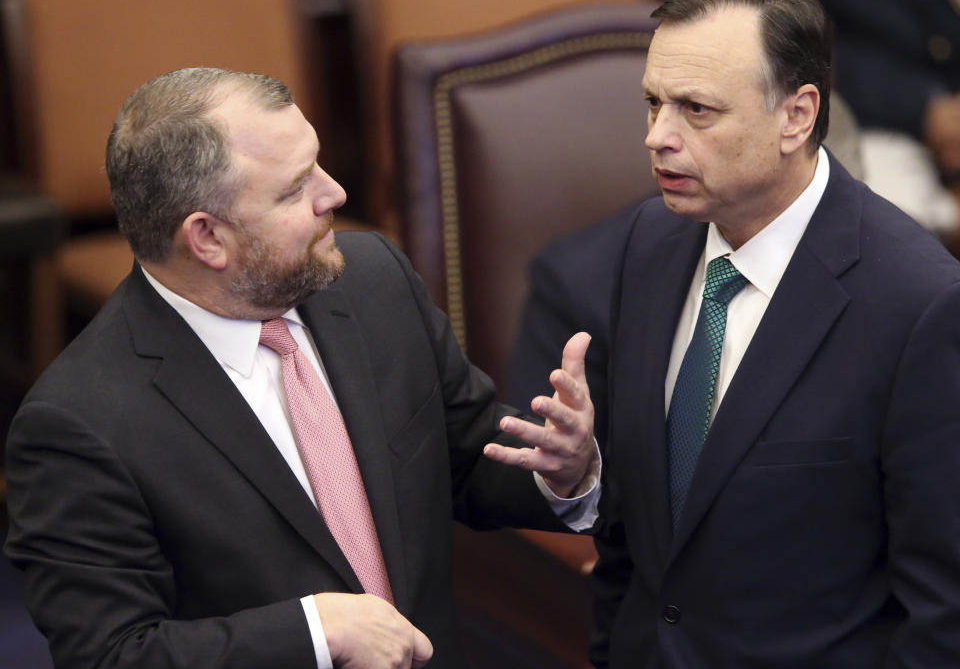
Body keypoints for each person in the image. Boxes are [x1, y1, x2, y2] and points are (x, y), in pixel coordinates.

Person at [3, 68, 599, 669]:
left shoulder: (373, 280)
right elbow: (111, 656)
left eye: (318, 163)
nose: (334, 193)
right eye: (294, 190)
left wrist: (563, 472)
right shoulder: (79, 424)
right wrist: (314, 631)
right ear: (207, 238)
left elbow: (465, 455)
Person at [577, 0, 959, 668]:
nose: (657, 137)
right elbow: (634, 537)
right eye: (653, 103)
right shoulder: (649, 242)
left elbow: (945, 610)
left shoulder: (919, 304)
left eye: (696, 110)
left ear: (798, 115)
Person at [721, 0, 960, 237]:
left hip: (946, 98)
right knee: (889, 228)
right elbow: (778, 39)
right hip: (851, 120)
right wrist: (922, 108)